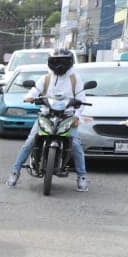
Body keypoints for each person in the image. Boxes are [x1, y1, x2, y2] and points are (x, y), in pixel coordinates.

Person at [8, 49, 88, 192]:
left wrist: (77, 116)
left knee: (76, 144)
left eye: (62, 62)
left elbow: (82, 99)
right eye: (56, 61)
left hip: (68, 116)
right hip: (46, 115)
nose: (59, 65)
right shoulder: (45, 78)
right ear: (51, 63)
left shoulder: (75, 78)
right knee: (30, 141)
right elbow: (34, 90)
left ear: (69, 63)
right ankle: (15, 172)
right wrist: (30, 97)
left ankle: (82, 177)